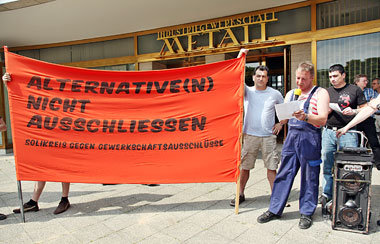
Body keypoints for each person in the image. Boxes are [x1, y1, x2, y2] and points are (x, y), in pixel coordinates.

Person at [257, 61, 329, 229]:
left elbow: (323, 118)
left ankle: (306, 212)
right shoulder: (291, 93)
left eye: (303, 79)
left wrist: (306, 117)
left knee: (309, 175)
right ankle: (274, 209)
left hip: (310, 138)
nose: (299, 82)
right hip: (292, 137)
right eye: (297, 78)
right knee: (284, 173)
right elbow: (286, 115)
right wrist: (280, 123)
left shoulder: (321, 93)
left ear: (311, 77)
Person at [2, 72, 71, 215]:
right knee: (40, 168)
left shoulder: (62, 94)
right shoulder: (36, 94)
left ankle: (64, 199)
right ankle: (33, 202)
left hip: (60, 136)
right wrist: (6, 82)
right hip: (42, 137)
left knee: (62, 167)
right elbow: (19, 95)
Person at [230, 60, 284, 207]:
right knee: (245, 167)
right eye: (258, 76)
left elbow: (285, 110)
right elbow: (237, 75)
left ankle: (276, 197)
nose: (261, 78)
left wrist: (281, 123)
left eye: (264, 76)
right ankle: (240, 194)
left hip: (268, 136)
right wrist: (242, 56)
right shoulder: (248, 91)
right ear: (253, 77)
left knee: (272, 168)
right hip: (250, 136)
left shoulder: (275, 94)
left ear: (267, 78)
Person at [320, 64, 367, 204]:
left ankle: (348, 195)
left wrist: (353, 111)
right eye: (330, 77)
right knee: (327, 165)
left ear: (343, 75)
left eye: (335, 76)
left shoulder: (355, 90)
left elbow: (364, 109)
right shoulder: (326, 92)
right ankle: (326, 193)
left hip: (349, 132)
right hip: (329, 131)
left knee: (349, 165)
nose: (332, 79)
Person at [354, 74, 380, 152]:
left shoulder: (371, 91)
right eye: (364, 81)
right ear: (357, 82)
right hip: (355, 120)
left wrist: (361, 107)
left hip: (368, 119)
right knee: (356, 142)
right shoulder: (352, 92)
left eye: (366, 80)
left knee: (374, 142)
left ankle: (378, 163)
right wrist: (369, 104)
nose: (366, 82)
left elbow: (376, 106)